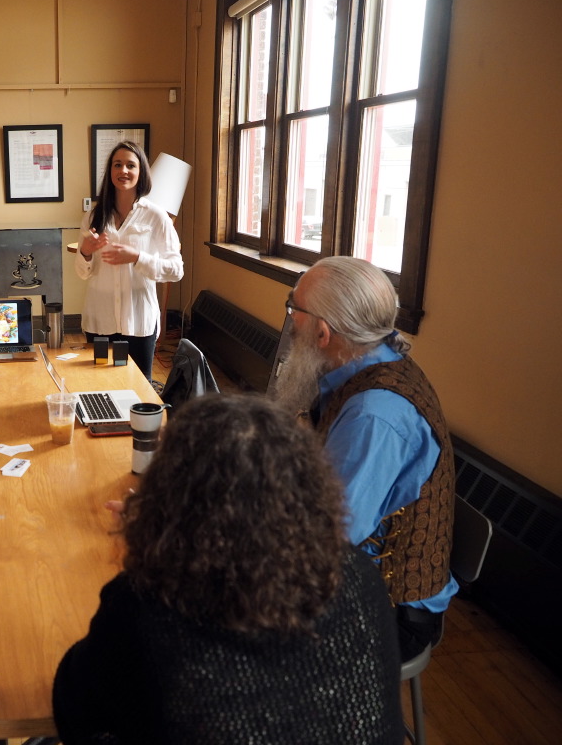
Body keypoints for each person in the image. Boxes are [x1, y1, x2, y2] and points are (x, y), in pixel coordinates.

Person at [53, 394, 402, 743]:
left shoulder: (144, 605)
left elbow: (73, 712)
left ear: (166, 494)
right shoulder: (360, 575)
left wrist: (147, 545)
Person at [273, 255, 458, 662]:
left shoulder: (373, 414)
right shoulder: (371, 362)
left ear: (323, 332)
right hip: (355, 567)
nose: (291, 321)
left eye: (293, 308)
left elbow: (328, 535)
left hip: (390, 611)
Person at [74, 141, 183, 378]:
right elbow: (82, 272)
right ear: (110, 171)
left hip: (139, 321)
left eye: (130, 165)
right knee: (99, 382)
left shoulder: (156, 216)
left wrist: (137, 257)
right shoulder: (93, 216)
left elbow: (176, 270)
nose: (123, 170)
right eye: (117, 165)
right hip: (100, 319)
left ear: (141, 171)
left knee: (139, 387)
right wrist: (86, 252)